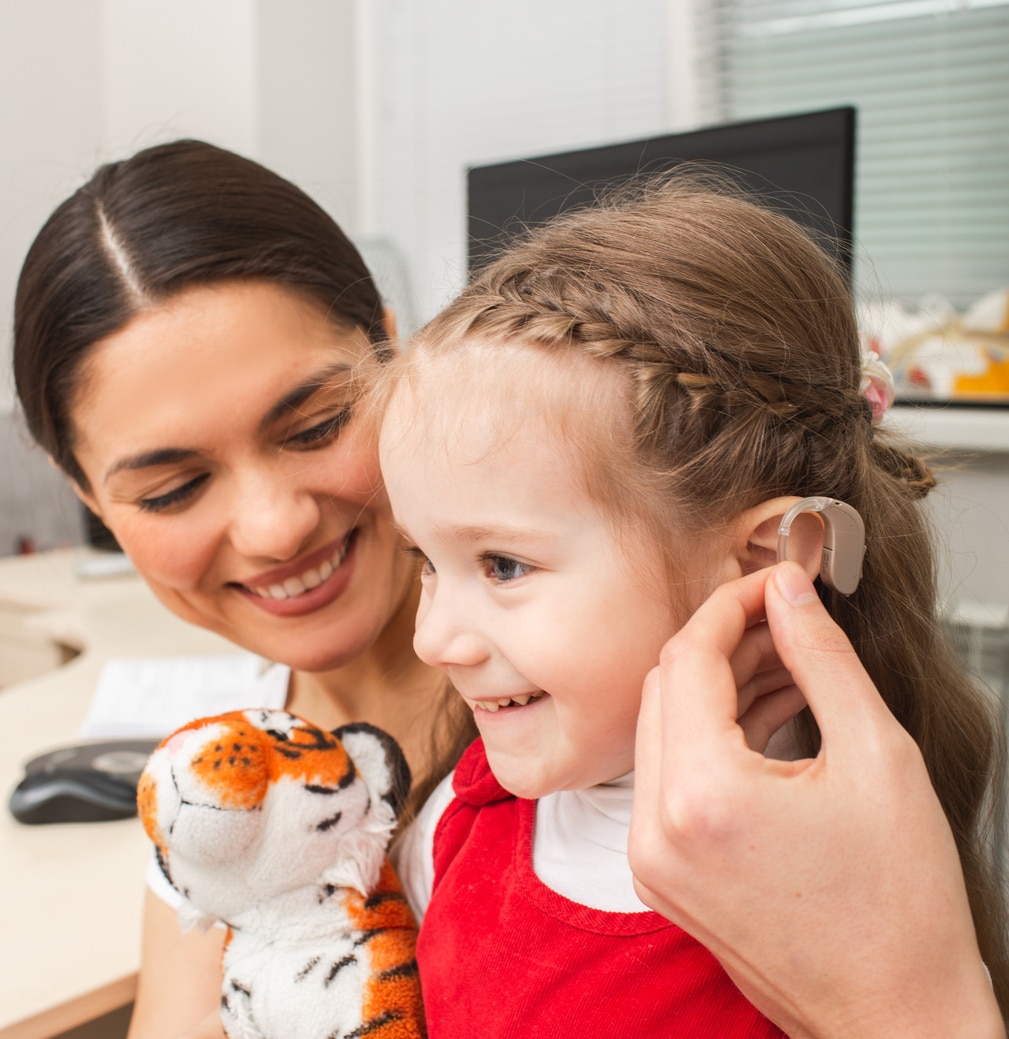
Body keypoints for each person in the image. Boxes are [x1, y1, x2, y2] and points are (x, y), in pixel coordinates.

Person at [377, 176, 1009, 1035]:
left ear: (767, 560)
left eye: (503, 564)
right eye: (424, 560)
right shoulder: (474, 803)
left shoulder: (829, 903)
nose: (432, 638)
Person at [12, 139, 475, 1039]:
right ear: (90, 499)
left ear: (391, 345)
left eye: (317, 424)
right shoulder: (217, 798)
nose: (274, 527)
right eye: (172, 489)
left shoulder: (596, 712)